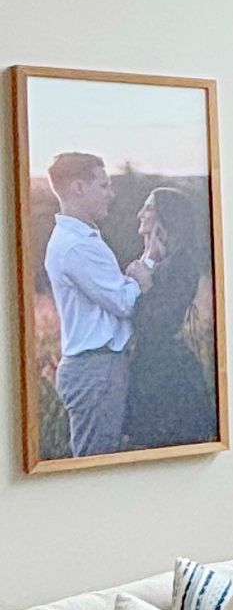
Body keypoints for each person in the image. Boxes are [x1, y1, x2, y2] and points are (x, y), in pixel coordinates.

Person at [42, 152, 150, 457]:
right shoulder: (76, 246)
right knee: (95, 466)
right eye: (103, 186)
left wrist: (134, 275)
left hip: (98, 369)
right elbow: (124, 302)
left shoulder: (81, 239)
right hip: (96, 370)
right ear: (78, 188)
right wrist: (146, 267)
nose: (110, 194)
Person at [125, 186, 218, 450]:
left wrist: (144, 283)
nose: (140, 213)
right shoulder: (160, 259)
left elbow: (159, 323)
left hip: (168, 375)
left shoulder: (182, 263)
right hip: (153, 368)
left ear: (167, 215)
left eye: (149, 207)